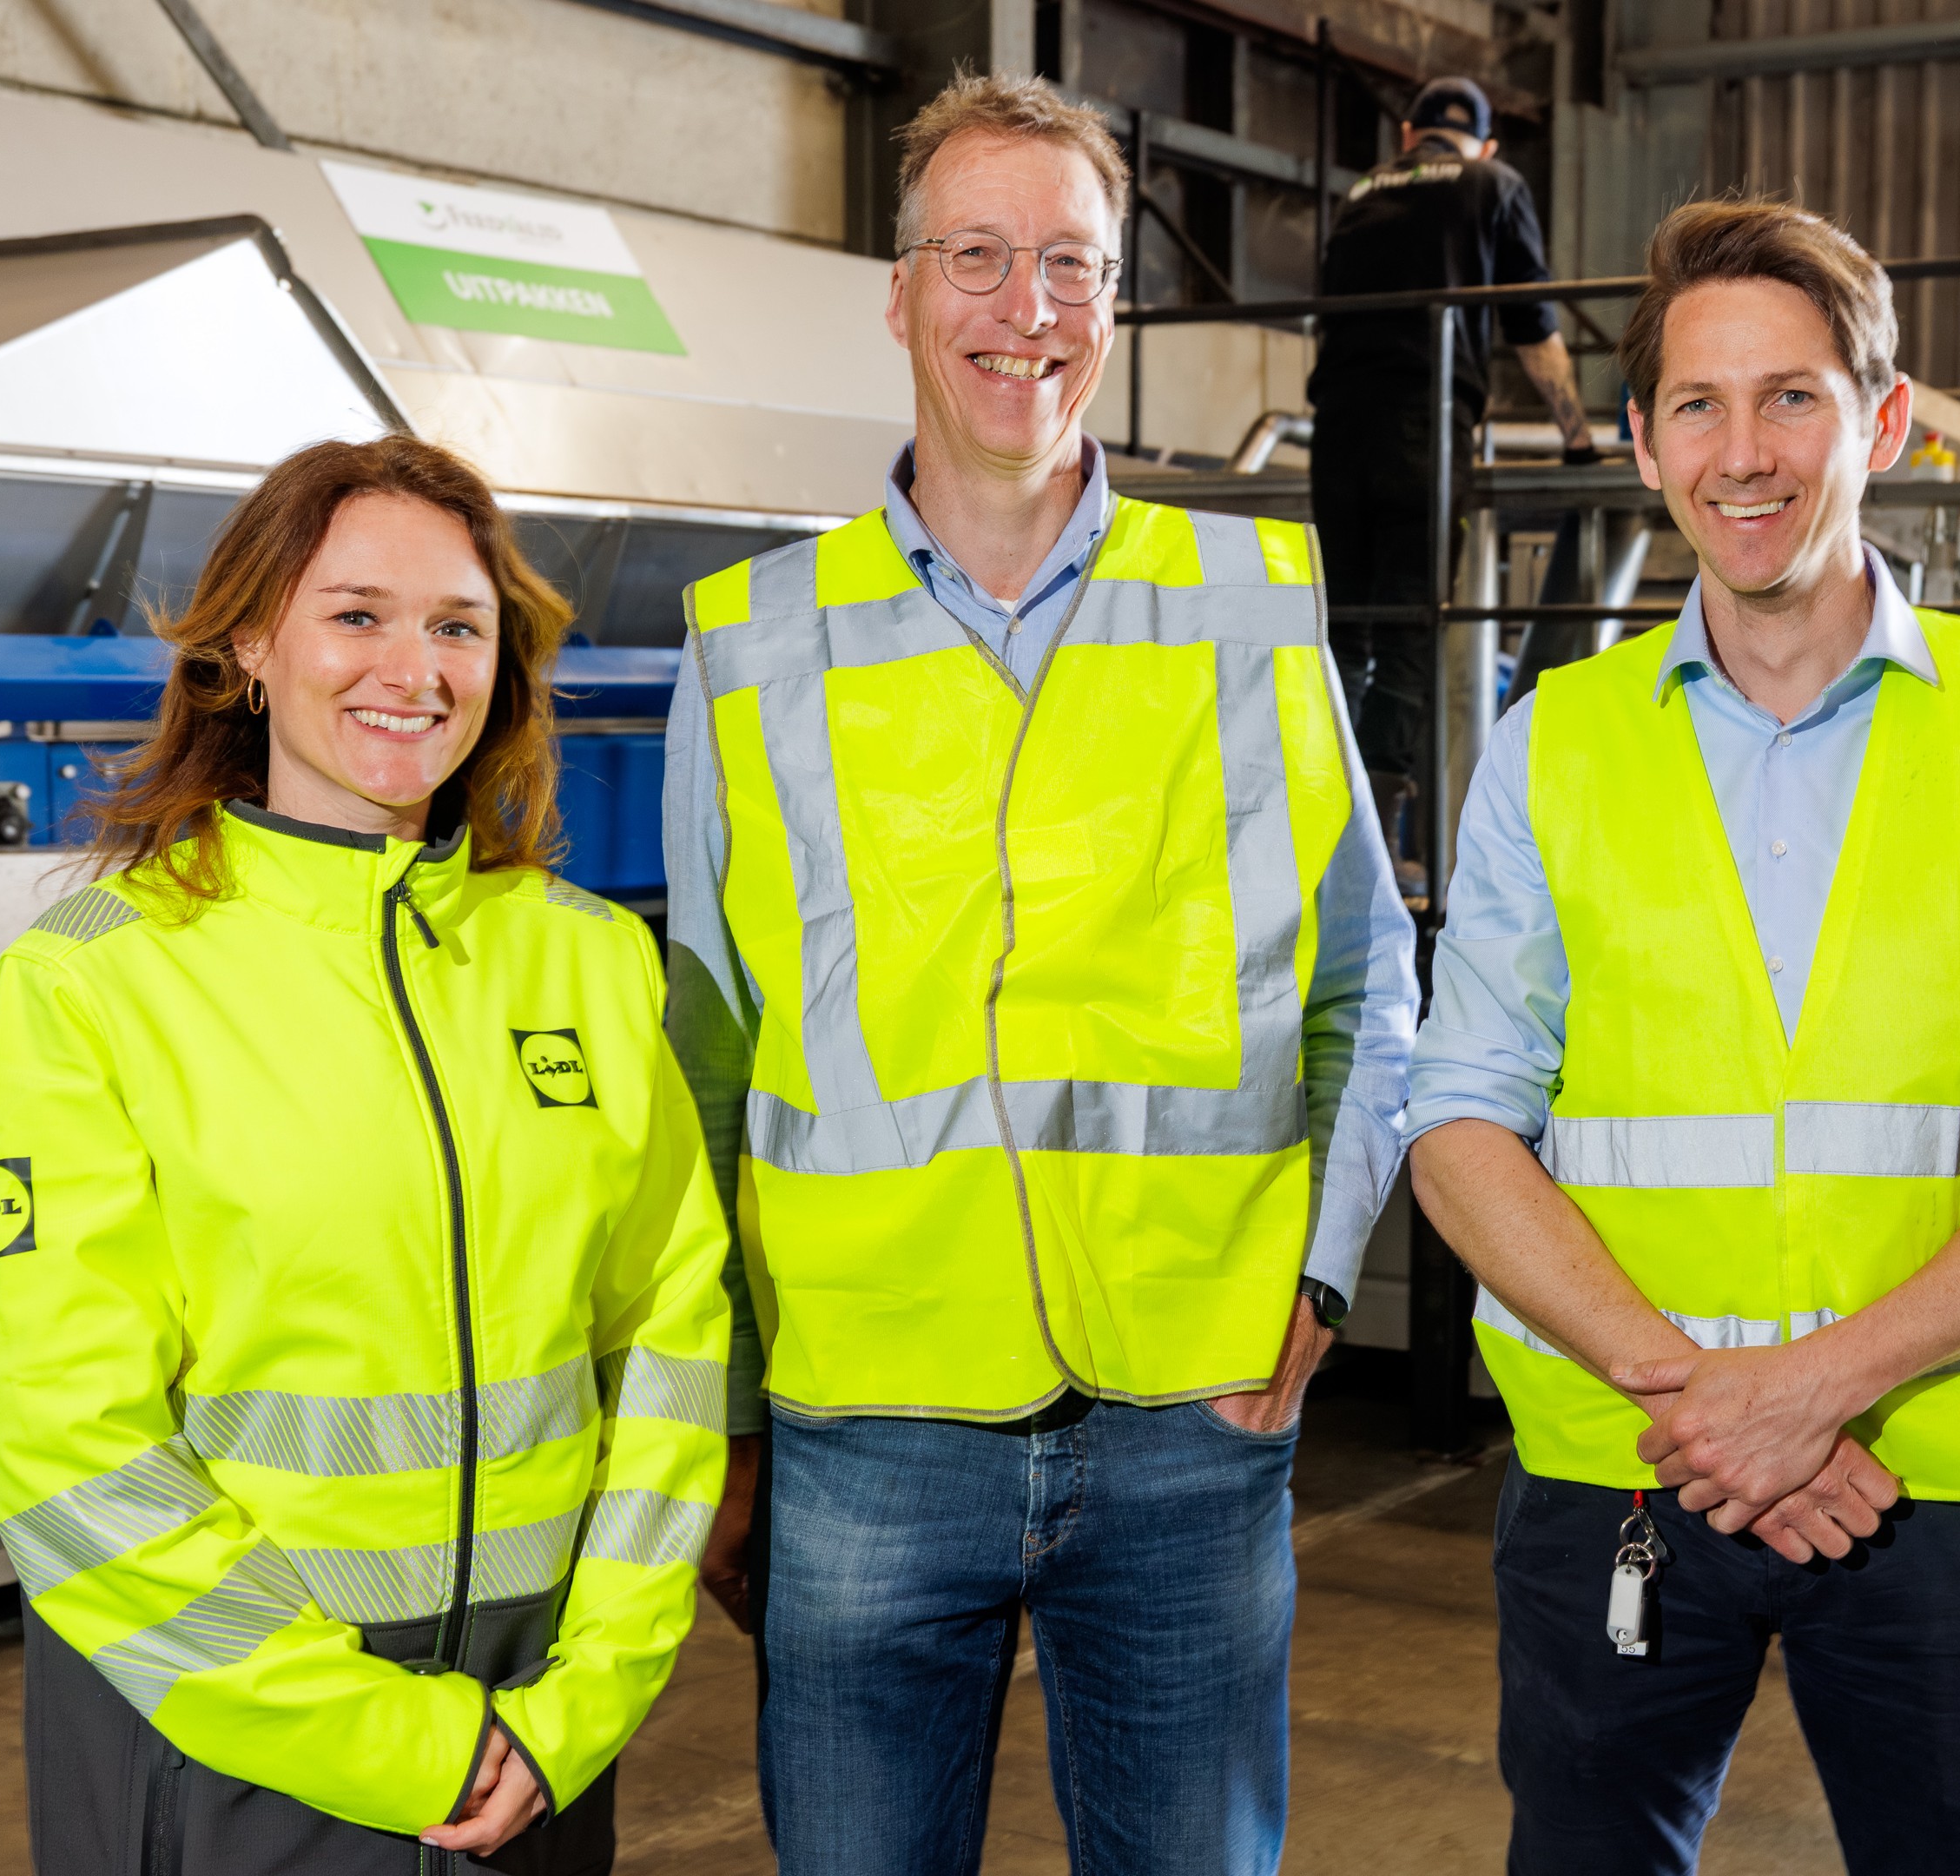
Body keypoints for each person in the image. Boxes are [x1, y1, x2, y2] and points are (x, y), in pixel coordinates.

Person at [661, 75, 1417, 1875]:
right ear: (905, 294)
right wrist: (723, 1410)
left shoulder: (1249, 604)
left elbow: (1367, 992)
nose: (1027, 310)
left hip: (1191, 1419)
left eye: (1070, 264)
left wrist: (1320, 1279)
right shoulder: (753, 641)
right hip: (865, 1424)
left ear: (1115, 305)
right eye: (978, 258)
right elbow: (702, 1059)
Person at [1406, 200, 1960, 1875]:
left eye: (1794, 398)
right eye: (1698, 404)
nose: (1742, 453)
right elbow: (1458, 1122)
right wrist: (1702, 1404)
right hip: (1629, 1473)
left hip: (1945, 1488)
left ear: (1883, 419)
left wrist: (1817, 1393)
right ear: (1640, 441)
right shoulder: (1560, 747)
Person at [0, 437, 732, 1873]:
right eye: (356, 614)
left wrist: (584, 1701)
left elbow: (669, 1349)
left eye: (457, 625)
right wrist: (388, 1740)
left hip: (533, 1746)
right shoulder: (98, 984)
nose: (410, 669)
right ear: (249, 643)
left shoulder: (596, 966)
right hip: (225, 1734)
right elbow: (64, 1439)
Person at [1305, 75, 1597, 890]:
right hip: (1420, 429)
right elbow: (1532, 324)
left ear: (1408, 136)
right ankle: (1372, 856)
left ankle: (1320, 833)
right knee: (1407, 636)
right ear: (1487, 144)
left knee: (1343, 638)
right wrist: (1578, 443)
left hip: (1336, 430)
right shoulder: (1494, 184)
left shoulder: (1360, 191)